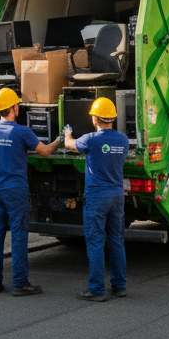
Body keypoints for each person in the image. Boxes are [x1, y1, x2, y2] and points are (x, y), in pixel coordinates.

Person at [0, 87, 60, 296]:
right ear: (14, 108)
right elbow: (43, 151)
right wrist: (60, 139)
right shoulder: (22, 131)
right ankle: (20, 283)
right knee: (18, 234)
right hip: (15, 190)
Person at [62, 97, 129, 301]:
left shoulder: (91, 139)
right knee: (117, 241)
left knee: (96, 242)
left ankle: (97, 290)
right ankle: (119, 286)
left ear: (95, 118)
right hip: (117, 196)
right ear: (112, 118)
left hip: (97, 197)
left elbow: (69, 144)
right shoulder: (123, 139)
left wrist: (67, 132)